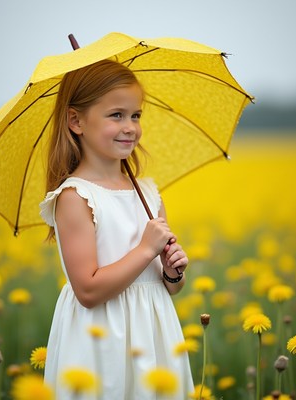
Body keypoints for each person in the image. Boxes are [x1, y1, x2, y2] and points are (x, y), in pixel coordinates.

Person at [39, 59, 193, 399]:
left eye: (136, 115)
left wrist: (171, 274)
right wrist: (145, 250)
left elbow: (167, 287)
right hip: (101, 338)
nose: (130, 127)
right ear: (76, 121)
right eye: (116, 115)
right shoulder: (75, 197)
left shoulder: (149, 192)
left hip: (153, 333)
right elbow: (88, 291)